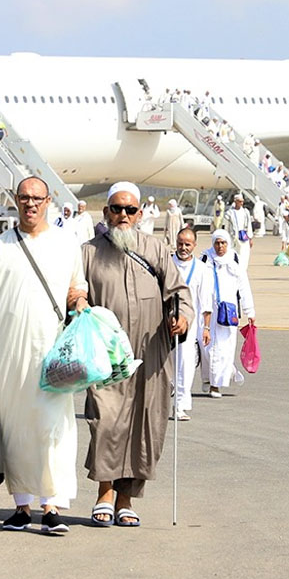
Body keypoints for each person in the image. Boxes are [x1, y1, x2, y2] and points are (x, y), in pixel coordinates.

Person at [0, 177, 88, 534]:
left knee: (52, 427)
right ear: (15, 201)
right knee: (15, 429)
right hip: (5, 357)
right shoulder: (1, 246)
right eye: (24, 198)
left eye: (37, 198)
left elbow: (75, 288)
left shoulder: (66, 243)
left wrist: (79, 301)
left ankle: (51, 506)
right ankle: (21, 506)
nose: (30, 204)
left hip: (51, 354)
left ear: (48, 201)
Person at [81, 182, 193, 527]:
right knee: (106, 421)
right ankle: (104, 492)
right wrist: (78, 302)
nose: (123, 216)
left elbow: (178, 291)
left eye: (130, 210)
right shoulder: (88, 252)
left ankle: (126, 498)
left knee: (146, 424)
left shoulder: (156, 249)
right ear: (106, 213)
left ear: (140, 214)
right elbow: (74, 291)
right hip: (107, 355)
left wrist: (182, 317)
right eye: (117, 209)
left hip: (151, 351)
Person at [200, 230, 256, 397]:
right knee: (207, 348)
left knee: (224, 348)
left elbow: (243, 287)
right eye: (217, 243)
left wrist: (249, 310)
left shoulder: (234, 259)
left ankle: (216, 385)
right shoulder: (205, 259)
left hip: (228, 312)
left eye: (223, 243)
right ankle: (208, 378)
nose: (220, 246)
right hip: (208, 311)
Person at [171, 227, 213, 421]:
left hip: (189, 325)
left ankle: (180, 405)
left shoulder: (202, 269)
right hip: (165, 322)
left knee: (186, 364)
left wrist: (205, 328)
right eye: (180, 243)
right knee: (166, 365)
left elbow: (205, 302)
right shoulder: (167, 264)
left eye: (187, 244)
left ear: (194, 245)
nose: (183, 247)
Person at [225, 193, 253, 268]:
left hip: (244, 236)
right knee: (233, 254)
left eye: (242, 201)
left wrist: (250, 238)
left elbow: (249, 225)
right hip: (233, 237)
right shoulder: (229, 213)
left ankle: (242, 270)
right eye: (239, 201)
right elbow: (227, 227)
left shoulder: (245, 212)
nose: (241, 203)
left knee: (244, 254)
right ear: (235, 201)